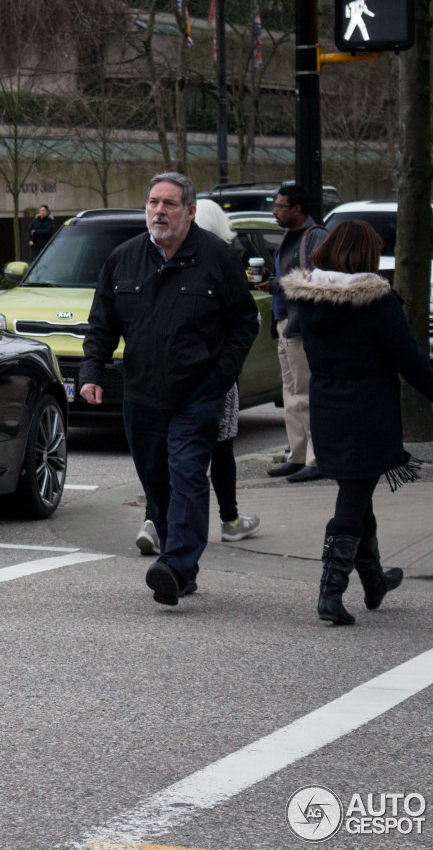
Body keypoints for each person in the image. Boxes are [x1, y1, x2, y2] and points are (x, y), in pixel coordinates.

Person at [80, 172, 259, 606]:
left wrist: (219, 379)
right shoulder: (123, 258)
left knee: (187, 477)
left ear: (191, 211)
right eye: (153, 202)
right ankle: (178, 562)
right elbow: (102, 323)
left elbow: (244, 323)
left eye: (170, 204)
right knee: (156, 481)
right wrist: (91, 372)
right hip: (141, 394)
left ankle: (177, 566)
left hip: (196, 394)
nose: (159, 211)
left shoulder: (217, 258)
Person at [280, 220, 433, 625]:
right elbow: (410, 361)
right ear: (366, 255)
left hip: (328, 407)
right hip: (369, 411)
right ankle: (330, 594)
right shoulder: (376, 301)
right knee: (352, 500)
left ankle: (375, 580)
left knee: (357, 492)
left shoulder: (310, 300)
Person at [135, 198, 260, 556]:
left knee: (166, 455)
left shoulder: (165, 259)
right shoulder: (221, 259)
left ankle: (153, 520)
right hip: (211, 376)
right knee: (216, 448)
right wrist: (222, 375)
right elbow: (241, 320)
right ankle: (229, 519)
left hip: (171, 376)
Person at [263, 185, 329, 483]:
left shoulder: (316, 236)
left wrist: (276, 285)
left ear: (297, 210)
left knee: (305, 393)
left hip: (302, 326)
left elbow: (316, 280)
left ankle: (317, 459)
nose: (275, 211)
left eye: (280, 206)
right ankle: (298, 455)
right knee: (291, 395)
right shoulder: (291, 237)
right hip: (285, 323)